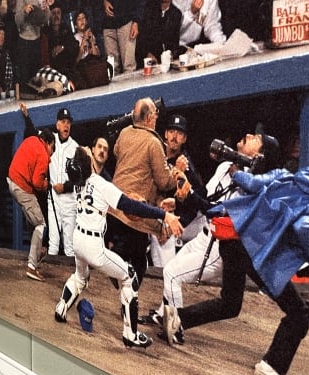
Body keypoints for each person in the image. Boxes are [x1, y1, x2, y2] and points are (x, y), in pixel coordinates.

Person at [166, 158, 309, 375]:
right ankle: (271, 368)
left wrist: (236, 174)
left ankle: (177, 319)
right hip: (255, 251)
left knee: (230, 303)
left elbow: (251, 182)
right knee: (300, 313)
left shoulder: (288, 177)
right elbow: (304, 229)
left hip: (232, 238)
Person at [143, 131, 280, 345]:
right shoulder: (225, 167)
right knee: (173, 268)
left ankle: (176, 327)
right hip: (203, 236)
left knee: (171, 274)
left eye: (256, 139)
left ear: (259, 156)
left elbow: (216, 211)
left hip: (219, 247)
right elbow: (206, 199)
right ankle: (164, 315)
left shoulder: (251, 188)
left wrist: (190, 196)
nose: (248, 134)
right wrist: (178, 202)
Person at [54, 146, 182, 348]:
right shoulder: (100, 184)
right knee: (129, 276)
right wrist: (163, 214)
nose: (89, 150)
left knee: (80, 277)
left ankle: (61, 308)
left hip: (77, 240)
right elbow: (131, 206)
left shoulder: (79, 181)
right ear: (87, 164)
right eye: (88, 153)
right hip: (93, 245)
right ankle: (130, 334)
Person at [106, 98, 185, 287]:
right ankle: (119, 278)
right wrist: (177, 170)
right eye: (155, 115)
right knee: (138, 262)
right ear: (149, 118)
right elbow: (164, 181)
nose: (157, 118)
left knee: (136, 257)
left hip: (114, 206)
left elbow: (117, 152)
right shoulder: (153, 142)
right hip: (134, 215)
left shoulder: (124, 133)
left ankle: (117, 271)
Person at [19, 104, 79, 257]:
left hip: (69, 202)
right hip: (53, 199)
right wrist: (27, 117)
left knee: (69, 246)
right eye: (63, 122)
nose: (66, 125)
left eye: (68, 122)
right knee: (53, 243)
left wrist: (65, 187)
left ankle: (71, 279)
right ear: (57, 124)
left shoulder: (75, 148)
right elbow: (33, 133)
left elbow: (80, 179)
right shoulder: (49, 140)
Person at [147, 114, 206, 269]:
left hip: (190, 221)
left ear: (184, 139)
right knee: (159, 225)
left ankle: (169, 276)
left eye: (179, 133)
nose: (174, 136)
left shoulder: (185, 163)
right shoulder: (156, 154)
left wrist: (178, 217)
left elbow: (200, 198)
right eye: (172, 131)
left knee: (164, 227)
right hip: (158, 211)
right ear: (165, 134)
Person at [7, 128, 55, 281]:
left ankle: (36, 252)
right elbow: (36, 182)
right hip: (22, 187)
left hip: (11, 181)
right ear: (48, 142)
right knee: (41, 224)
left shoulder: (30, 140)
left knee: (33, 222)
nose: (52, 154)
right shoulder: (43, 153)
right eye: (52, 148)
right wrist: (46, 184)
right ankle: (32, 267)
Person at [135, 0, 182, 66]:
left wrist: (171, 54)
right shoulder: (148, 8)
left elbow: (174, 43)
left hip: (164, 62)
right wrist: (147, 54)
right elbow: (140, 39)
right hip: (144, 59)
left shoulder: (176, 14)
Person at [15, 0, 50, 85]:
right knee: (25, 81)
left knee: (37, 80)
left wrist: (46, 10)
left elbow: (45, 20)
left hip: (37, 40)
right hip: (24, 41)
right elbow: (17, 21)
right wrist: (24, 11)